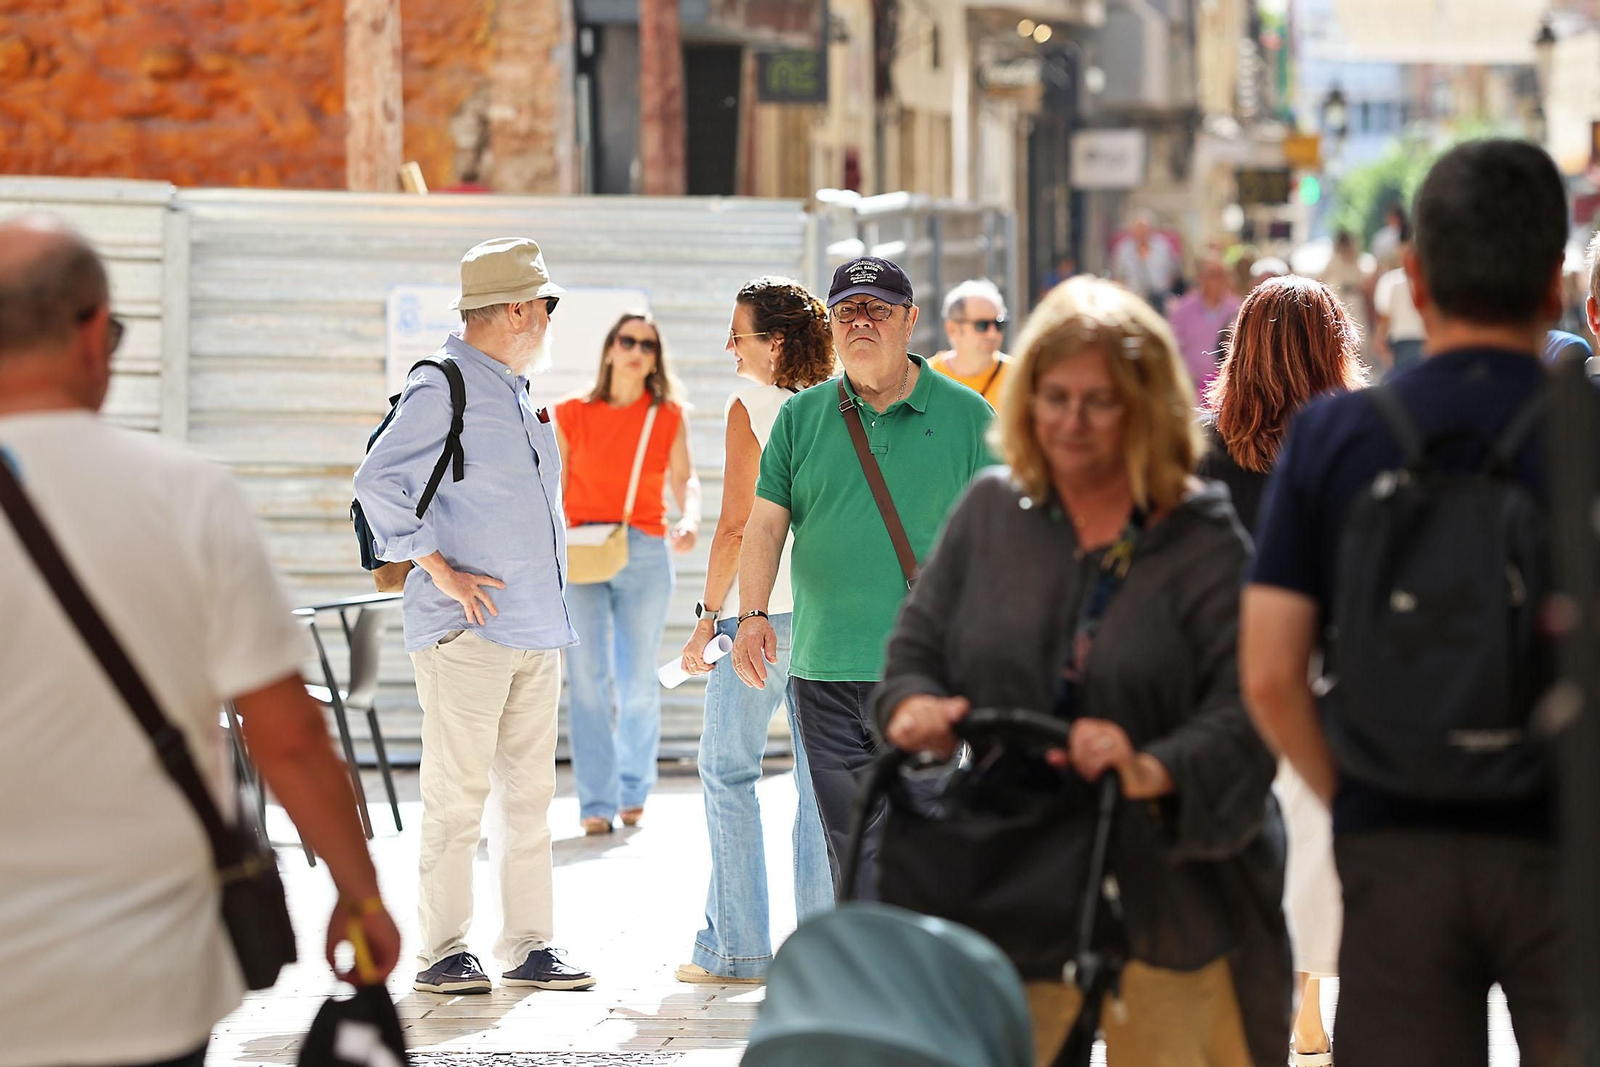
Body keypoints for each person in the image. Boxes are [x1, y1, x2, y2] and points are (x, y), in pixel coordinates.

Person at [0, 216, 401, 1067]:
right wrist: (359, 892)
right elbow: (286, 736)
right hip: (141, 984)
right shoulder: (186, 495)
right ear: (90, 333)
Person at [876, 275, 1289, 1066]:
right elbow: (916, 647)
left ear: (1144, 408)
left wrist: (1151, 766)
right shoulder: (995, 512)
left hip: (1181, 889)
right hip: (1022, 872)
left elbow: (1249, 708)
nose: (1071, 419)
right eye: (1053, 395)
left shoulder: (1199, 536)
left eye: (1098, 400)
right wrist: (916, 707)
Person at [1242, 139, 1577, 1065]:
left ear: (1415, 282)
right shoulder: (1586, 427)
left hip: (1399, 840)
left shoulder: (1336, 437)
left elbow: (1270, 674)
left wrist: (1358, 797)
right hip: (1563, 844)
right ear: (1556, 284)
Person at [354, 237, 594, 995]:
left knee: (529, 799)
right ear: (519, 308)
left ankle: (529, 943)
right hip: (468, 632)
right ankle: (442, 949)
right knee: (457, 797)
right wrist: (439, 569)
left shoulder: (517, 388)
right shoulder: (444, 383)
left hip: (534, 628)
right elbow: (377, 483)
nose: (550, 319)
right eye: (546, 305)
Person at [729, 255, 994, 899]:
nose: (861, 323)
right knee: (849, 843)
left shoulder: (969, 417)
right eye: (846, 311)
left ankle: (919, 974)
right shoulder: (801, 416)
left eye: (877, 309)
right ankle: (872, 983)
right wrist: (753, 616)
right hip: (823, 673)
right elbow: (763, 527)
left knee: (920, 832)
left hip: (923, 670)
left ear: (911, 320)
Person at [1198, 276, 1367, 1065]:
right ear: (1336, 346)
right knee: (1313, 842)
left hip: (1222, 673)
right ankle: (1306, 1006)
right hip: (1322, 672)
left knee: (1240, 844)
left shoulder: (1201, 446)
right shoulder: (1357, 440)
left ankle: (1256, 999)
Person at [674, 276, 836, 984]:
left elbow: (738, 523)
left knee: (726, 769)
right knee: (816, 782)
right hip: (831, 614)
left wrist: (707, 618)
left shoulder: (751, 405)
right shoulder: (842, 402)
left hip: (762, 615)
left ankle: (737, 947)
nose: (728, 349)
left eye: (736, 335)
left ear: (771, 344)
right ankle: (817, 954)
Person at [556, 311, 699, 835]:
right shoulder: (570, 413)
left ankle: (634, 787)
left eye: (649, 344)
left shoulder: (667, 415)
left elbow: (686, 481)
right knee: (588, 682)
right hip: (584, 547)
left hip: (644, 547)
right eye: (628, 340)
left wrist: (690, 519)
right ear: (610, 348)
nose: (638, 350)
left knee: (638, 680)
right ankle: (595, 801)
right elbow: (552, 488)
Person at [1166, 252, 1242, 400]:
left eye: (1221, 274)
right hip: (1191, 392)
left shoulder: (1239, 309)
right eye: (1212, 274)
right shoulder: (1182, 311)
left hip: (1227, 392)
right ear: (1200, 278)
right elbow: (1172, 349)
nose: (1217, 280)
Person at [932, 278, 1012, 404]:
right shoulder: (926, 377)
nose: (993, 333)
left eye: (998, 324)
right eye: (982, 325)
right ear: (952, 328)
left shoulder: (1020, 374)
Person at [1372, 223, 1425, 374]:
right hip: (1424, 340)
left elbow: (1384, 316)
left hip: (1401, 342)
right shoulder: (1430, 281)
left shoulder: (1390, 280)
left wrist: (1379, 339)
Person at [1111, 209, 1179, 307]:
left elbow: (1172, 272)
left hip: (1159, 297)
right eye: (1138, 228)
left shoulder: (1163, 247)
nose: (1141, 232)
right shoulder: (1123, 249)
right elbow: (1118, 276)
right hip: (1133, 298)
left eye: (1144, 228)